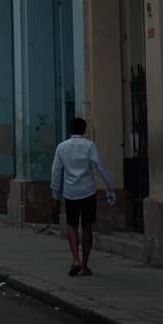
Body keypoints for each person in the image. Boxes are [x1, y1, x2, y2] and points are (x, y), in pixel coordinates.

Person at [51, 117, 115, 277]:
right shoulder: (89, 146)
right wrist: (110, 187)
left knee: (72, 225)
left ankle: (75, 259)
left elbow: (56, 171)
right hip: (88, 191)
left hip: (70, 192)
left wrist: (55, 192)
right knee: (87, 226)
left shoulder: (62, 147)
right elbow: (99, 166)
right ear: (84, 130)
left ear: (70, 130)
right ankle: (85, 264)